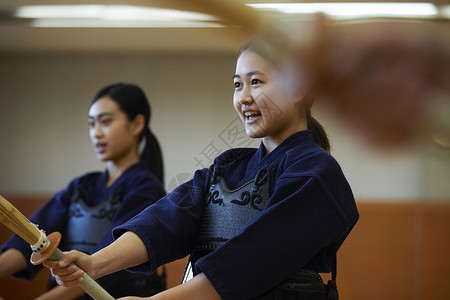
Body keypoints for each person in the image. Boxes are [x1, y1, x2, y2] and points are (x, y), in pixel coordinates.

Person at [45, 39, 359, 300]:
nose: (244, 97)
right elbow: (167, 220)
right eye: (238, 84)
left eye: (256, 82)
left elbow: (251, 261)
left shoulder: (317, 174)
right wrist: (94, 264)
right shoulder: (228, 166)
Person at [0, 83, 167, 299]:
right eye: (91, 124)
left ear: (136, 124)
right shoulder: (81, 186)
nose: (96, 133)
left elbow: (102, 269)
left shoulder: (148, 190)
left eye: (105, 122)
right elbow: (30, 238)